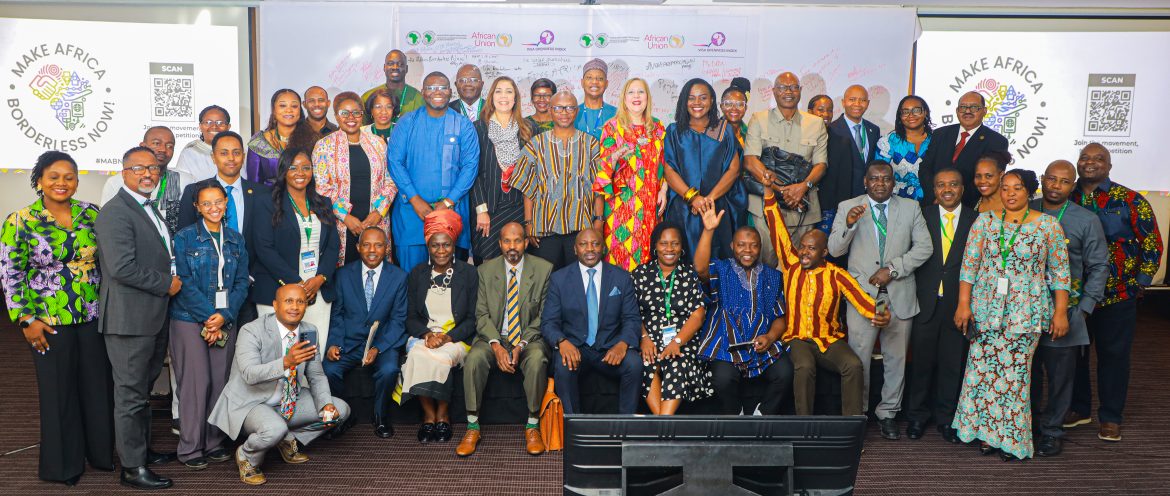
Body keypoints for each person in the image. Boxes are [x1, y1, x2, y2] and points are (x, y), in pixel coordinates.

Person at [1, 151, 113, 486]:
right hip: (47, 321)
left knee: (97, 388)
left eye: (69, 177)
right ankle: (63, 466)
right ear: (39, 181)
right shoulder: (20, 220)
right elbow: (10, 274)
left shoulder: (91, 213)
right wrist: (26, 319)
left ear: (77, 181)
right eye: (53, 176)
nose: (61, 183)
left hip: (93, 316)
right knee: (58, 392)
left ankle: (101, 455)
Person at [953, 169, 1070, 461]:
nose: (1010, 194)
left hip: (1026, 312)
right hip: (985, 309)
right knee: (981, 372)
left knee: (1014, 375)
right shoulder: (985, 222)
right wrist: (963, 304)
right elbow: (969, 266)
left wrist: (1060, 312)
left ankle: (1010, 438)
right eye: (1005, 188)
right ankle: (986, 433)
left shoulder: (1048, 226)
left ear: (1029, 191)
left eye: (1017, 188)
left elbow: (1060, 272)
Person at [753, 168, 886, 416]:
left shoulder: (836, 275)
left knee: (853, 365)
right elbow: (776, 226)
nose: (804, 252)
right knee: (804, 367)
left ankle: (852, 424)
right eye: (803, 247)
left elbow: (862, 299)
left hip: (828, 340)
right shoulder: (791, 264)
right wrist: (769, 190)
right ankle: (805, 426)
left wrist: (880, 313)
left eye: (811, 249)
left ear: (824, 253)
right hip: (797, 338)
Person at [95, 146, 183, 490]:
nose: (147, 174)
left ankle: (142, 451)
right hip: (129, 320)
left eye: (153, 169)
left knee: (142, 391)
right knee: (130, 395)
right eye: (138, 168)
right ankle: (132, 468)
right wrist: (166, 284)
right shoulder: (115, 212)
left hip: (152, 316)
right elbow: (121, 268)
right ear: (124, 173)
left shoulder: (147, 206)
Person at [828, 161, 932, 440]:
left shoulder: (910, 208)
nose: (880, 183)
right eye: (874, 179)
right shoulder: (848, 207)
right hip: (862, 295)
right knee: (858, 359)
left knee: (896, 360)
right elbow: (834, 250)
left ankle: (888, 414)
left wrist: (893, 269)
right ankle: (858, 413)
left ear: (893, 182)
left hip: (899, 293)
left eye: (886, 179)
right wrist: (849, 224)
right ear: (865, 181)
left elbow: (925, 247)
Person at [208, 284, 351, 486]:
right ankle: (247, 456)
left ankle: (288, 438)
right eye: (288, 301)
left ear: (306, 305)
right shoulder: (252, 330)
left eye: (300, 301)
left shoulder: (309, 331)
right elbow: (249, 374)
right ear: (275, 305)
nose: (295, 307)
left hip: (288, 400)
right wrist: (286, 362)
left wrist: (326, 404)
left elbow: (316, 375)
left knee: (340, 411)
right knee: (274, 429)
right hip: (252, 403)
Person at [1068, 143, 1163, 443]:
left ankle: (1110, 417)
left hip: (1117, 294)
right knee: (1075, 355)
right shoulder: (1066, 196)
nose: (1090, 162)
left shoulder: (1130, 200)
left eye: (1099, 159)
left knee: (1114, 357)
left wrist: (1140, 283)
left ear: (1109, 166)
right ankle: (1079, 408)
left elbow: (1152, 243)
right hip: (1075, 295)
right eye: (1085, 157)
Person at [169, 182, 250, 470]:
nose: (213, 208)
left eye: (218, 202)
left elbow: (242, 282)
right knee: (195, 383)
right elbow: (182, 281)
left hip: (224, 318)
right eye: (206, 203)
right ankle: (191, 448)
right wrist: (208, 316)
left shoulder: (236, 239)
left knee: (219, 382)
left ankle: (214, 442)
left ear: (226, 203)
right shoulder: (184, 238)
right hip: (189, 318)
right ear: (197, 207)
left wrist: (224, 315)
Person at [1030, 160, 1108, 456]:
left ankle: (1052, 431)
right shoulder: (1024, 210)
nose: (1056, 186)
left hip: (1065, 313)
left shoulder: (1086, 219)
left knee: (1061, 378)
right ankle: (1027, 426)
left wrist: (1084, 310)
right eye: (1051, 179)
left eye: (1064, 182)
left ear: (1072, 186)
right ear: (1043, 179)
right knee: (1027, 373)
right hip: (1024, 312)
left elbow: (1099, 266)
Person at [457, 222, 553, 457]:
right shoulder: (485, 270)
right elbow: (481, 314)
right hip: (493, 336)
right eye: (507, 241)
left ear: (526, 242)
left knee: (537, 358)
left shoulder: (544, 269)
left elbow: (543, 317)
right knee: (474, 358)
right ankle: (472, 426)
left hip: (529, 337)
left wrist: (520, 345)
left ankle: (532, 425)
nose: (512, 246)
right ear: (500, 244)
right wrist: (496, 345)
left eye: (517, 240)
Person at [692, 200, 792, 415]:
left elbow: (780, 317)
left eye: (753, 245)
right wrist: (708, 231)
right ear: (732, 247)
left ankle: (761, 415)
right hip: (725, 342)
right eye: (741, 245)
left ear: (760, 248)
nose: (748, 250)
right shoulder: (722, 268)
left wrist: (770, 337)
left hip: (761, 343)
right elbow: (700, 269)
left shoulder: (773, 276)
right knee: (723, 378)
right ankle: (736, 415)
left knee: (784, 373)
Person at [905, 168, 978, 442]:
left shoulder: (976, 220)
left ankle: (947, 419)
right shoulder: (921, 215)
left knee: (952, 364)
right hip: (924, 301)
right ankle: (916, 416)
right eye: (941, 185)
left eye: (953, 184)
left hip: (958, 304)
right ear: (934, 189)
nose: (947, 190)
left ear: (962, 189)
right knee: (921, 364)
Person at [542, 228, 643, 414]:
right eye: (583, 244)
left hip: (609, 346)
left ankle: (626, 424)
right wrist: (562, 342)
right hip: (575, 347)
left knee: (634, 363)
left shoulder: (621, 278)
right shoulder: (559, 279)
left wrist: (623, 344)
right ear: (575, 249)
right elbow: (549, 322)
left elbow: (632, 318)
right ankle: (572, 424)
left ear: (603, 248)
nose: (590, 249)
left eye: (595, 244)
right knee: (563, 366)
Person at [387, 71, 479, 273]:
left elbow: (470, 166)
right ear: (422, 92)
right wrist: (415, 199)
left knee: (452, 282)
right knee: (413, 280)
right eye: (431, 88)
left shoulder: (463, 125)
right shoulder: (407, 123)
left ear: (450, 92)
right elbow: (394, 162)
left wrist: (448, 202)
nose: (437, 92)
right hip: (411, 215)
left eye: (442, 88)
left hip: (451, 213)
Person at [401, 210, 479, 443]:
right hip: (425, 337)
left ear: (454, 246)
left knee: (442, 357)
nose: (441, 250)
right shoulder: (417, 274)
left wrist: (447, 338)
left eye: (446, 245)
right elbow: (411, 317)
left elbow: (473, 318)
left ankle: (443, 414)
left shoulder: (468, 273)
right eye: (435, 245)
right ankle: (429, 415)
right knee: (416, 354)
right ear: (428, 247)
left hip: (456, 338)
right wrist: (427, 334)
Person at [323, 227, 408, 439]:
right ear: (358, 247)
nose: (372, 250)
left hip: (382, 343)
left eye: (378, 245)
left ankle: (380, 416)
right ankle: (344, 415)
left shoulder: (399, 277)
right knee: (329, 369)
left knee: (389, 370)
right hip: (349, 342)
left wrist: (378, 347)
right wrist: (333, 343)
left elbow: (398, 320)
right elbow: (337, 314)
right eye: (367, 245)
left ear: (386, 249)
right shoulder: (342, 275)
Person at [253, 147, 341, 351]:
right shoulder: (266, 202)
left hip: (316, 290)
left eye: (306, 168)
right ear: (283, 171)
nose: (300, 173)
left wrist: (320, 279)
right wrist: (297, 284)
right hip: (278, 287)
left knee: (313, 353)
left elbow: (333, 245)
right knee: (280, 353)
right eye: (293, 168)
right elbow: (264, 248)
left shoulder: (323, 202)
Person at [744, 72, 828, 266]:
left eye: (793, 87)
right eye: (782, 87)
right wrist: (782, 191)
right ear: (774, 91)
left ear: (800, 90)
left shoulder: (816, 123)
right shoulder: (759, 119)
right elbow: (750, 162)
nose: (788, 92)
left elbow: (821, 165)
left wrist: (803, 187)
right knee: (766, 267)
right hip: (767, 209)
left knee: (800, 268)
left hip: (803, 210)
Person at [512, 91, 603, 270]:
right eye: (558, 108)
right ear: (550, 110)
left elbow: (598, 186)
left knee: (577, 279)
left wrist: (599, 220)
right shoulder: (536, 144)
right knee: (547, 278)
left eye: (569, 108)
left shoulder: (591, 144)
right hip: (545, 228)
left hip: (581, 227)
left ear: (576, 111)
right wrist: (528, 223)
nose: (564, 112)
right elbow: (528, 188)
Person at [662, 78, 745, 264]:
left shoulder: (723, 130)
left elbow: (733, 170)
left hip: (716, 206)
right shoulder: (674, 131)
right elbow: (669, 170)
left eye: (703, 98)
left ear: (712, 100)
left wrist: (707, 200)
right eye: (691, 98)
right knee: (683, 258)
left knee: (716, 261)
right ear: (684, 101)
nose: (697, 103)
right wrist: (693, 198)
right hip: (684, 208)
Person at [633, 222, 712, 415]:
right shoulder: (640, 273)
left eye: (675, 243)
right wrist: (644, 338)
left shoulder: (689, 274)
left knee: (677, 363)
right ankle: (664, 424)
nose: (669, 249)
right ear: (655, 246)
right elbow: (631, 311)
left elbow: (698, 314)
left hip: (683, 340)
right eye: (664, 243)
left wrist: (677, 342)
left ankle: (662, 424)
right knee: (644, 363)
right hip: (649, 341)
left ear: (682, 247)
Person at [314, 91, 396, 265]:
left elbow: (391, 180)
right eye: (344, 113)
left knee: (377, 271)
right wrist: (345, 217)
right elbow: (322, 187)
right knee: (344, 273)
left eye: (356, 113)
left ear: (362, 115)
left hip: (376, 221)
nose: (350, 117)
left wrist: (378, 212)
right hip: (341, 225)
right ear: (336, 116)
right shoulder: (324, 146)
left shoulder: (378, 143)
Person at [594, 77, 667, 271]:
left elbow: (666, 164)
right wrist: (616, 155)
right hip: (621, 209)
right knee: (619, 263)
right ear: (624, 98)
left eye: (641, 92)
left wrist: (664, 190)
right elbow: (602, 171)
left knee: (648, 260)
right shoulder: (612, 127)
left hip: (650, 206)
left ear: (647, 97)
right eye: (631, 92)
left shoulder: (658, 127)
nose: (636, 96)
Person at [179, 131, 271, 279]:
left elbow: (268, 241)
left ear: (243, 156)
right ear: (213, 157)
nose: (231, 158)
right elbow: (184, 239)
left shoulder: (263, 193)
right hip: (205, 278)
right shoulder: (193, 191)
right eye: (223, 153)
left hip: (253, 277)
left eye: (236, 153)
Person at [470, 76, 533, 264]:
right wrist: (481, 210)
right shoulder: (478, 128)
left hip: (520, 206)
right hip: (489, 209)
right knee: (490, 264)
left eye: (509, 91)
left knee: (518, 261)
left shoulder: (529, 129)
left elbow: (534, 173)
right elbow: (473, 172)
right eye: (498, 91)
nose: (503, 96)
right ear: (491, 97)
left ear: (515, 98)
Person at [919, 91, 1010, 207]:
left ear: (984, 111)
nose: (967, 111)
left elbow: (988, 180)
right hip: (933, 204)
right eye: (963, 107)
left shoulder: (996, 141)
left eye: (974, 107)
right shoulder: (940, 134)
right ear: (957, 111)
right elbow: (925, 168)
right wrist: (937, 196)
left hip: (968, 207)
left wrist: (954, 200)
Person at [101, 126, 196, 236]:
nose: (163, 149)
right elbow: (108, 223)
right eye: (156, 143)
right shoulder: (116, 182)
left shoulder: (186, 181)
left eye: (169, 146)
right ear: (143, 146)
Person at [821, 85, 880, 235]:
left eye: (862, 100)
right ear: (843, 102)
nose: (857, 104)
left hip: (867, 201)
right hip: (840, 202)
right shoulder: (831, 130)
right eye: (852, 99)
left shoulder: (874, 130)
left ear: (868, 103)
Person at [247, 88, 318, 186]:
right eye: (282, 105)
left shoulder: (313, 140)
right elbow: (253, 184)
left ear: (300, 110)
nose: (289, 110)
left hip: (304, 194)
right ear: (274, 110)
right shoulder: (259, 141)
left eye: (294, 106)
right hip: (268, 195)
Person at [877, 95, 933, 202]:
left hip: (931, 203)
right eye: (905, 111)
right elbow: (878, 174)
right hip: (897, 203)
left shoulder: (936, 140)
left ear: (925, 112)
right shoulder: (888, 141)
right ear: (900, 116)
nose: (911, 115)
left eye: (916, 110)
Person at [363, 49, 423, 123]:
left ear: (406, 69)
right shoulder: (368, 96)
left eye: (400, 64)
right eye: (390, 64)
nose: (395, 67)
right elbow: (362, 128)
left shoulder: (418, 98)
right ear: (384, 67)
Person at [173, 105, 231, 180]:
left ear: (228, 127)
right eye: (208, 122)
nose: (214, 126)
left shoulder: (239, 154)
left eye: (220, 122)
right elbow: (182, 183)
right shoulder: (189, 154)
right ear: (200, 126)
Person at [574, 58, 617, 139]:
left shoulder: (617, 114)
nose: (594, 82)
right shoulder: (571, 113)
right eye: (589, 78)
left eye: (600, 78)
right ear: (582, 82)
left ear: (606, 84)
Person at [720, 77, 751, 150]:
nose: (734, 108)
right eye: (728, 104)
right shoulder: (713, 132)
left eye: (739, 104)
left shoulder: (748, 132)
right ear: (721, 106)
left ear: (745, 108)